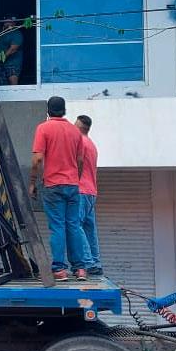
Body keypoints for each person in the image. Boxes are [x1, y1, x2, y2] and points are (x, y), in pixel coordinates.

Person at [29, 96, 92, 281]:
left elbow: (37, 159)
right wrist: (75, 178)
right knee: (73, 225)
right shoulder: (75, 132)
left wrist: (32, 182)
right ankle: (80, 269)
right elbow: (80, 160)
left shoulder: (43, 128)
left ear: (48, 111)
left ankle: (59, 269)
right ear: (64, 111)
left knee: (57, 227)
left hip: (53, 185)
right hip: (72, 185)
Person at [75, 115, 103, 276]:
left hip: (81, 191)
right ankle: (96, 262)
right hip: (91, 192)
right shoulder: (92, 145)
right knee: (89, 229)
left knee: (76, 225)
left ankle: (88, 262)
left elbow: (75, 163)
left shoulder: (80, 142)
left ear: (79, 127)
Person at [0, 17, 24, 85]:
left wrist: (0, 59)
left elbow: (13, 49)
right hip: (2, 65)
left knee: (13, 85)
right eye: (5, 21)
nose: (6, 23)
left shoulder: (16, 33)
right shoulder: (2, 34)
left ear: (14, 23)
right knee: (2, 85)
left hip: (13, 64)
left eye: (9, 21)